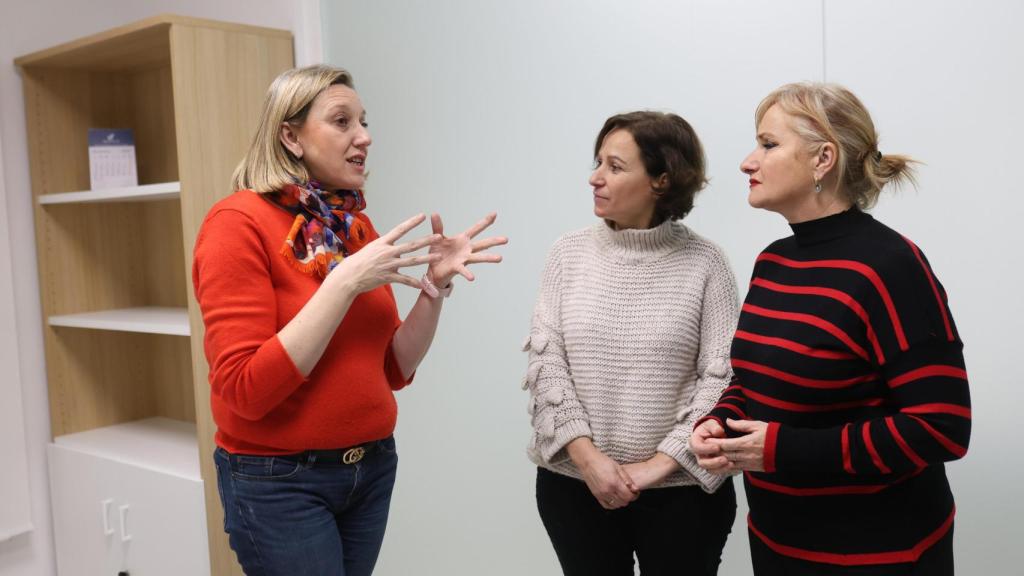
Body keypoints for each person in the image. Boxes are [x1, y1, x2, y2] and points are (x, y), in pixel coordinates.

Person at [192, 64, 506, 576]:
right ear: (290, 136)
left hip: (370, 470)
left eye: (363, 121)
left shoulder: (349, 224)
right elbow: (244, 390)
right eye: (342, 121)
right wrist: (342, 284)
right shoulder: (236, 224)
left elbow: (392, 370)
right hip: (280, 482)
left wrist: (436, 286)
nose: (365, 137)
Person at [691, 83, 971, 575]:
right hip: (778, 545)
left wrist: (781, 449)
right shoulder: (773, 262)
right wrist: (720, 422)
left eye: (768, 144)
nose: (747, 162)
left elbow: (940, 426)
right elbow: (753, 383)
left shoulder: (890, 265)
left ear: (823, 158)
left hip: (878, 556)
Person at [524, 111, 739, 576]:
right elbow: (547, 362)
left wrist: (659, 465)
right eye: (598, 162)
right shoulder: (567, 253)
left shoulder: (707, 264)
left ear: (661, 181)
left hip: (682, 495)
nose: (595, 178)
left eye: (615, 167)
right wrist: (590, 460)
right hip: (575, 487)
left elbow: (721, 381)